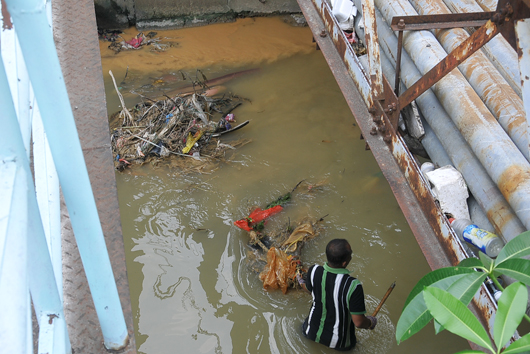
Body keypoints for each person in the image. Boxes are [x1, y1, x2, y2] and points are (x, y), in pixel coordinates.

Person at [298, 238, 376, 351]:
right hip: (339, 343)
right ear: (345, 263)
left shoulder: (314, 271)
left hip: (310, 332)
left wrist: (301, 283)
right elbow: (358, 322)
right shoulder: (353, 285)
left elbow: (309, 290)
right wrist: (370, 322)